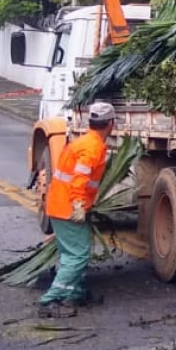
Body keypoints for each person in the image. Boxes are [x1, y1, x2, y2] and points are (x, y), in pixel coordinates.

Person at [38, 100, 116, 316]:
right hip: (68, 208)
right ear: (111, 124)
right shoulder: (92, 148)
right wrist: (78, 205)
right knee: (79, 255)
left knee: (71, 253)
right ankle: (49, 300)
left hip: (59, 204)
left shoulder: (82, 142)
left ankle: (75, 294)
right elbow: (79, 179)